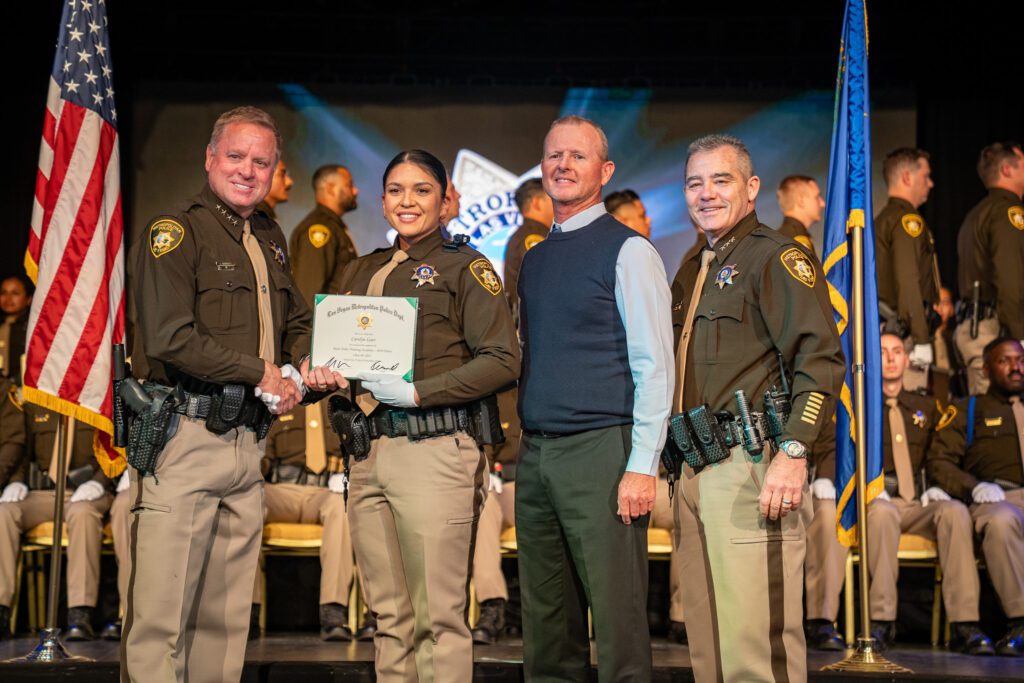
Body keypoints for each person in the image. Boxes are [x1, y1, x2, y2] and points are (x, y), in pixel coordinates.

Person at [122, 106, 343, 683]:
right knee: (159, 622)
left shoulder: (268, 235)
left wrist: (303, 365)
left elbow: (295, 319)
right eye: (237, 156)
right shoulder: (175, 230)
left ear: (273, 171)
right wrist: (260, 373)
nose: (248, 170)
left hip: (248, 447)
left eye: (261, 161)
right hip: (185, 439)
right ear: (210, 159)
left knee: (223, 626)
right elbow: (170, 338)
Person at [337, 149, 519, 681]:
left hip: (435, 452)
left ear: (444, 202)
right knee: (389, 618)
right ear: (383, 199)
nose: (407, 201)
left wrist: (418, 393)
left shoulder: (467, 267)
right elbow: (339, 357)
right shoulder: (361, 268)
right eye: (396, 190)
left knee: (438, 619)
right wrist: (314, 372)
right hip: (368, 455)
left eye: (422, 190)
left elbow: (503, 360)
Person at [671, 134, 844, 682]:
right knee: (708, 648)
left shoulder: (777, 257)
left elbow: (820, 359)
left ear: (750, 188)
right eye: (695, 183)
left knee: (756, 651)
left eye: (720, 181)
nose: (706, 194)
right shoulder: (693, 267)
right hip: (694, 469)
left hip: (752, 467)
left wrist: (793, 451)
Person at [516, 115, 674, 681]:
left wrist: (642, 465)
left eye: (578, 156)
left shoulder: (629, 251)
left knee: (617, 626)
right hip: (536, 459)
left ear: (604, 171)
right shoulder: (535, 258)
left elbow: (655, 365)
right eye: (554, 155)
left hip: (604, 456)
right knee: (546, 626)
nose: (563, 165)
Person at [866, 333, 988, 652]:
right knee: (882, 513)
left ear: (907, 361)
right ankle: (881, 622)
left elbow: (938, 458)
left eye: (897, 352)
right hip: (877, 500)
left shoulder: (925, 406)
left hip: (916, 502)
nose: (891, 358)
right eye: (882, 352)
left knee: (955, 512)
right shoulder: (860, 408)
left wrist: (935, 488)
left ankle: (965, 624)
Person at [928, 337, 1024, 656]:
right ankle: (1020, 622)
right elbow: (939, 462)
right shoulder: (968, 408)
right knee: (1000, 521)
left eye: (1020, 360)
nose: (1016, 367)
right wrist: (972, 487)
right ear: (985, 368)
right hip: (996, 497)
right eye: (1005, 361)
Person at [0, 393, 112, 641]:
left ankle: (79, 614)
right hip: (47, 492)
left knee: (82, 513)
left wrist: (100, 482)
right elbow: (22, 449)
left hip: (89, 490)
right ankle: (2, 610)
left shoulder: (96, 398)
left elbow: (113, 448)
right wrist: (16, 482)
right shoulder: (37, 402)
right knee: (5, 513)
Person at [257, 403, 369, 641]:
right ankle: (249, 608)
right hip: (283, 490)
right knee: (250, 501)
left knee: (340, 507)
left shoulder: (337, 405)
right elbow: (262, 458)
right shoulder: (284, 400)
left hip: (326, 490)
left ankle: (333, 612)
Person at [955, 142, 1024, 396]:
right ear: (1007, 169)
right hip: (994, 330)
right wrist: (1019, 337)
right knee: (997, 423)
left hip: (979, 326)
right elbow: (1010, 278)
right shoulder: (1007, 211)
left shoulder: (977, 213)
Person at [874, 147, 941, 391]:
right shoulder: (906, 220)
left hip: (896, 326)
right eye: (926, 176)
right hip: (904, 332)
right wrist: (921, 338)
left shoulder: (886, 217)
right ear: (907, 178)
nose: (931, 183)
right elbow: (908, 279)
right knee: (909, 401)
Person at [289, 164, 360, 304]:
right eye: (349, 184)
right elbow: (309, 292)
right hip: (323, 324)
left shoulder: (333, 226)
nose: (355, 190)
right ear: (330, 188)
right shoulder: (320, 229)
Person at [503, 178, 552, 321]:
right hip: (538, 326)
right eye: (552, 199)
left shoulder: (527, 234)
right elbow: (546, 284)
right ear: (536, 202)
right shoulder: (533, 237)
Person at [776, 174, 825, 255]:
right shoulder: (797, 243)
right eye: (817, 197)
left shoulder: (776, 238)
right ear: (801, 200)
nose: (823, 203)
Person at [0, 275, 32, 383]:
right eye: (3, 293)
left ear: (29, 299)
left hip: (23, 389)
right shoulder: (2, 326)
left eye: (15, 293)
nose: (8, 299)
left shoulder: (32, 328)